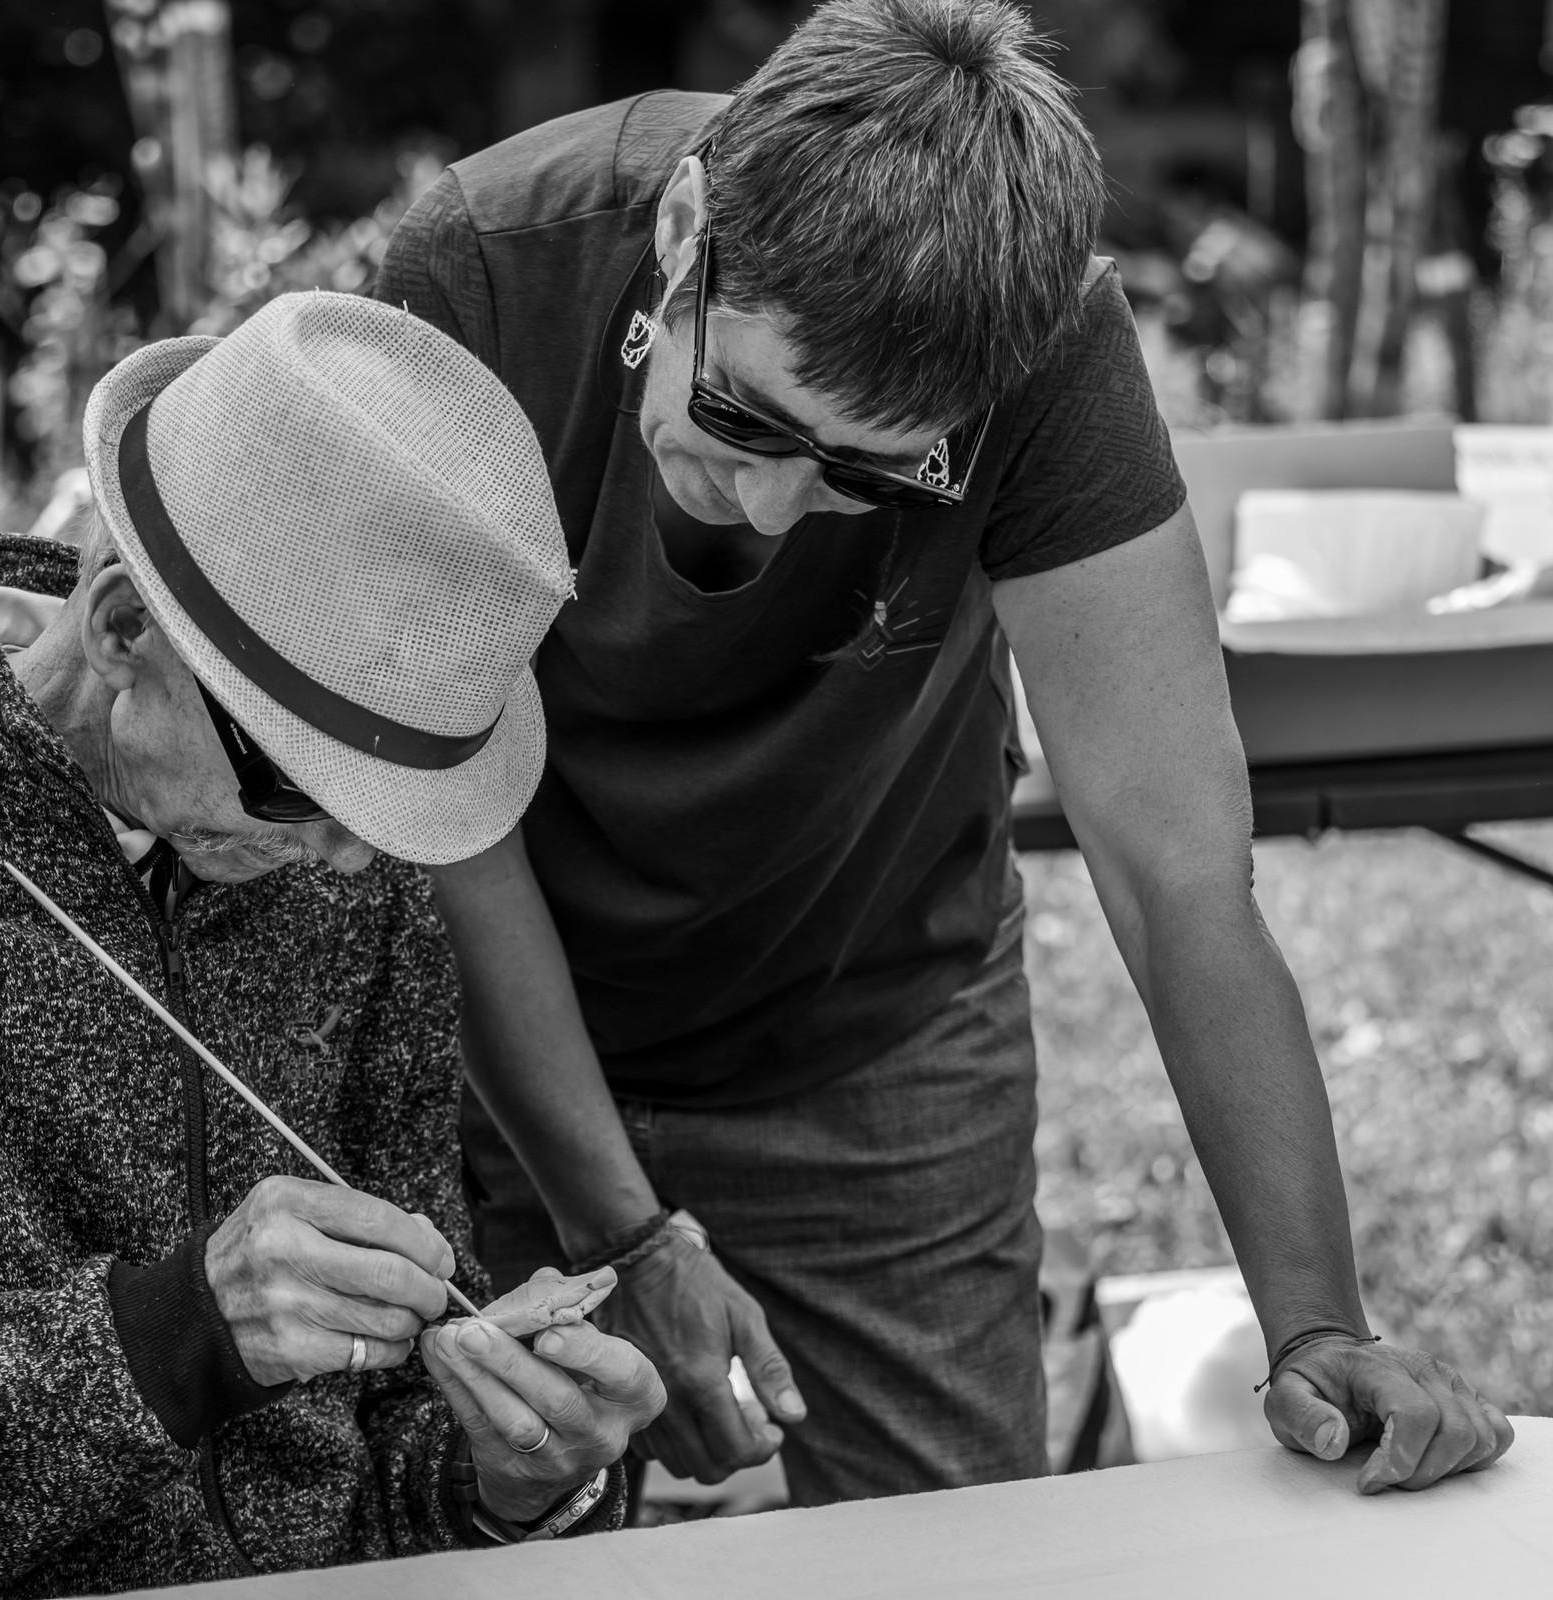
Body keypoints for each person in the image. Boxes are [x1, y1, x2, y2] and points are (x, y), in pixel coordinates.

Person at [373, 0, 1514, 1506]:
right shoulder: (484, 269)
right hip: (504, 1017)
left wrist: (1317, 1320)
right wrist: (624, 1229)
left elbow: (1174, 865)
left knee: (957, 1539)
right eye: (742, 413)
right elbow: (437, 803)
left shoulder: (1048, 352)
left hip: (878, 1023)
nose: (770, 508)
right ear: (687, 222)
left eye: (870, 474)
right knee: (490, 1526)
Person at [0, 291, 665, 1596]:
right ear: (122, 627)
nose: (350, 858)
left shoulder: (350, 878)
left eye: (391, 815)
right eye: (303, 786)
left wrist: (506, 1475)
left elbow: (379, 1459)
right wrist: (171, 1339)